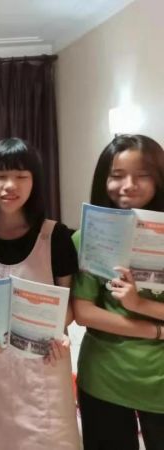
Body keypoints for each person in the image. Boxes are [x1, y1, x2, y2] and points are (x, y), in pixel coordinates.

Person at [0, 137, 80, 449]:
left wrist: (59, 332)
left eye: (21, 176)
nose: (9, 185)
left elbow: (68, 307)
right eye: (0, 175)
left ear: (34, 181)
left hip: (44, 365)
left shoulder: (55, 236)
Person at [72, 134, 164, 450]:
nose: (128, 185)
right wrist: (155, 331)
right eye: (117, 175)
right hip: (104, 377)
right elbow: (84, 312)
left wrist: (138, 303)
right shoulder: (86, 237)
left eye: (142, 175)